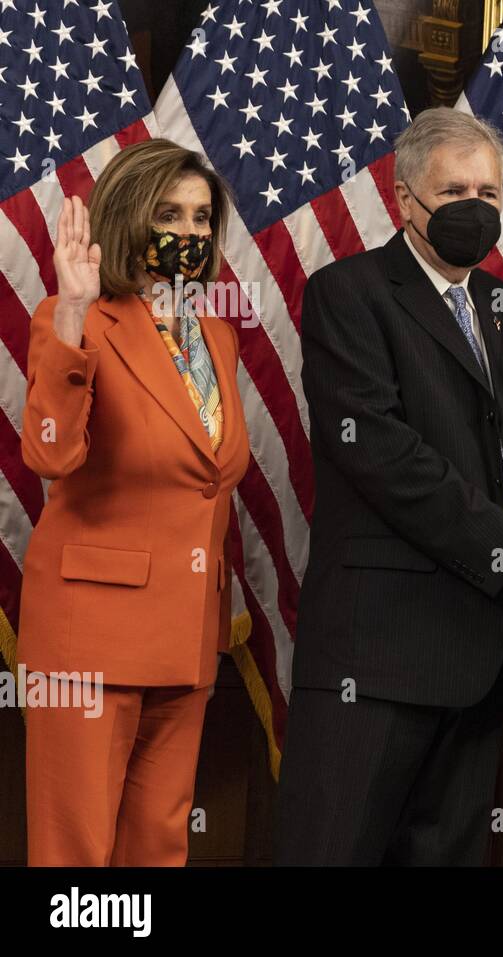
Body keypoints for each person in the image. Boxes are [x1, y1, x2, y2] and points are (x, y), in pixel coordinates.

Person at [274, 108, 503, 866]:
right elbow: (387, 459)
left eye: (489, 193)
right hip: (375, 658)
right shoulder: (348, 293)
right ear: (404, 200)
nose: (475, 206)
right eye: (455, 189)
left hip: (477, 659)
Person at [19, 140, 250, 865]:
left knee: (157, 846)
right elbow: (49, 453)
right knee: (77, 853)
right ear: (129, 218)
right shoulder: (74, 318)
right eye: (169, 213)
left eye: (203, 217)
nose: (190, 232)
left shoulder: (216, 332)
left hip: (185, 638)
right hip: (92, 637)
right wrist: (73, 315)